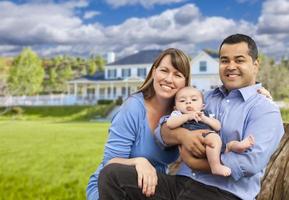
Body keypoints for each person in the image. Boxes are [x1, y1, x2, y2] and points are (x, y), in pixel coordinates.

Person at [98, 34, 284, 200]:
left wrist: (197, 163)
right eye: (224, 60)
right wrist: (182, 136)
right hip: (178, 184)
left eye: (239, 60)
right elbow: (161, 131)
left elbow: (250, 163)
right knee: (113, 175)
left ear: (255, 65)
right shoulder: (204, 97)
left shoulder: (264, 109)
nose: (231, 66)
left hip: (222, 193)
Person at [86, 48, 191, 200]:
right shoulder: (133, 107)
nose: (169, 79)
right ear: (154, 71)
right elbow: (110, 163)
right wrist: (138, 162)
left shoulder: (181, 116)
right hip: (112, 187)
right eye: (164, 70)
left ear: (185, 82)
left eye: (177, 74)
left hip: (150, 188)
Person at [167, 86, 255, 177]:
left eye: (193, 99)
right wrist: (187, 117)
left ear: (202, 106)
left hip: (212, 145)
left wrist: (205, 119)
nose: (188, 102)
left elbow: (218, 126)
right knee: (214, 138)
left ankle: (238, 146)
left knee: (229, 144)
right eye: (182, 101)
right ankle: (215, 166)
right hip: (197, 143)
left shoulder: (204, 114)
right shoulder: (178, 114)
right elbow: (170, 124)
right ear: (176, 108)